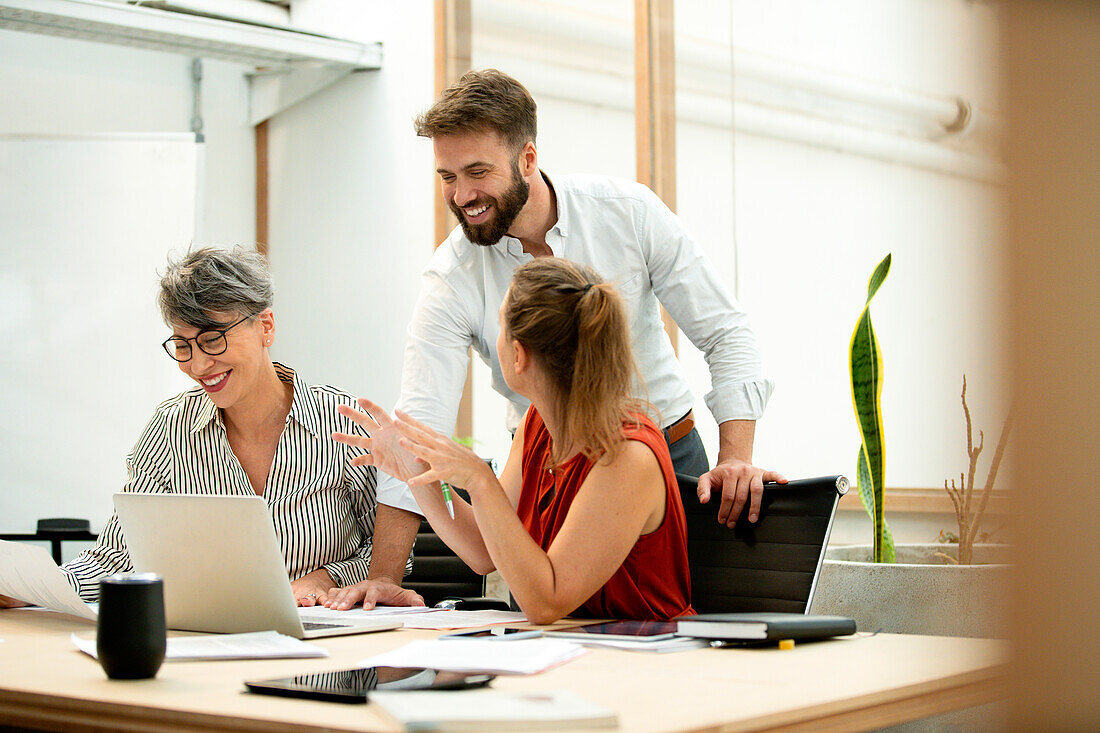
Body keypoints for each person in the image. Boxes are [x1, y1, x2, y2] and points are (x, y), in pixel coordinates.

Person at [372, 68, 783, 578]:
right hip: (547, 474)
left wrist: (735, 456)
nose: (461, 197)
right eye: (447, 177)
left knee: (678, 624)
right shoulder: (452, 275)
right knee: (557, 621)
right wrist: (384, 579)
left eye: (477, 172)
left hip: (668, 461)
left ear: (527, 159)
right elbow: (415, 432)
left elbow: (726, 333)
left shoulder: (628, 213)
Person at [0, 247, 422, 610]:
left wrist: (325, 579)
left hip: (329, 644)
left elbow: (391, 557)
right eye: (183, 345)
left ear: (266, 327)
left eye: (212, 339)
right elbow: (116, 557)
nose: (199, 366)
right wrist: (29, 590)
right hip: (205, 642)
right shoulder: (170, 429)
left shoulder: (341, 420)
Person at [330, 259, 694, 623]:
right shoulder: (536, 422)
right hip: (573, 650)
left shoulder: (628, 456)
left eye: (501, 327)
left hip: (645, 657)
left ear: (518, 355)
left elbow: (546, 602)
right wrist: (418, 474)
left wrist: (480, 479)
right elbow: (483, 550)